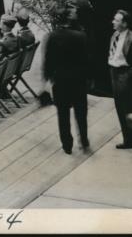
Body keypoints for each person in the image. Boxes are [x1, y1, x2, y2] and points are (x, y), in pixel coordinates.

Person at [42, 8, 90, 154]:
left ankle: (67, 144)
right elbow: (86, 60)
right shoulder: (81, 36)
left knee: (63, 114)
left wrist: (47, 79)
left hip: (60, 80)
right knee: (81, 113)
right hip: (78, 80)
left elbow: (48, 60)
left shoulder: (52, 36)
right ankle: (84, 139)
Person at [108, 9, 132, 156]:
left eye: (117, 20)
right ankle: (128, 140)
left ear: (125, 23)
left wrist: (128, 76)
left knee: (131, 110)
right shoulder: (115, 35)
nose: (113, 22)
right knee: (120, 109)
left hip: (125, 74)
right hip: (114, 73)